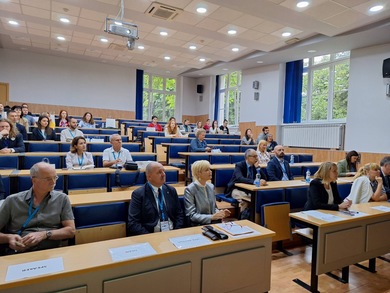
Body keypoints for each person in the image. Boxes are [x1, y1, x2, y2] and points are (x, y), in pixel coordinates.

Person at [0, 162, 75, 254]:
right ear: (34, 180)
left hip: (52, 251)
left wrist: (44, 234)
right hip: (20, 252)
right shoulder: (12, 200)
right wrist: (8, 238)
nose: (53, 182)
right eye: (48, 179)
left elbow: (71, 231)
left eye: (55, 177)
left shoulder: (62, 198)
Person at [127, 162, 184, 235]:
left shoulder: (171, 190)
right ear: (149, 177)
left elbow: (179, 215)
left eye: (164, 171)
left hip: (173, 232)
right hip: (151, 234)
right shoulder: (139, 194)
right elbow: (133, 223)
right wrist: (150, 237)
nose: (163, 174)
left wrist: (177, 232)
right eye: (159, 172)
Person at [184, 160, 230, 226]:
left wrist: (220, 213)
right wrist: (211, 217)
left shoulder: (211, 186)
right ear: (198, 173)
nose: (210, 172)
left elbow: (214, 208)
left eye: (210, 169)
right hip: (198, 225)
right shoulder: (190, 189)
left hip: (213, 222)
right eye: (206, 170)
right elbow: (191, 215)